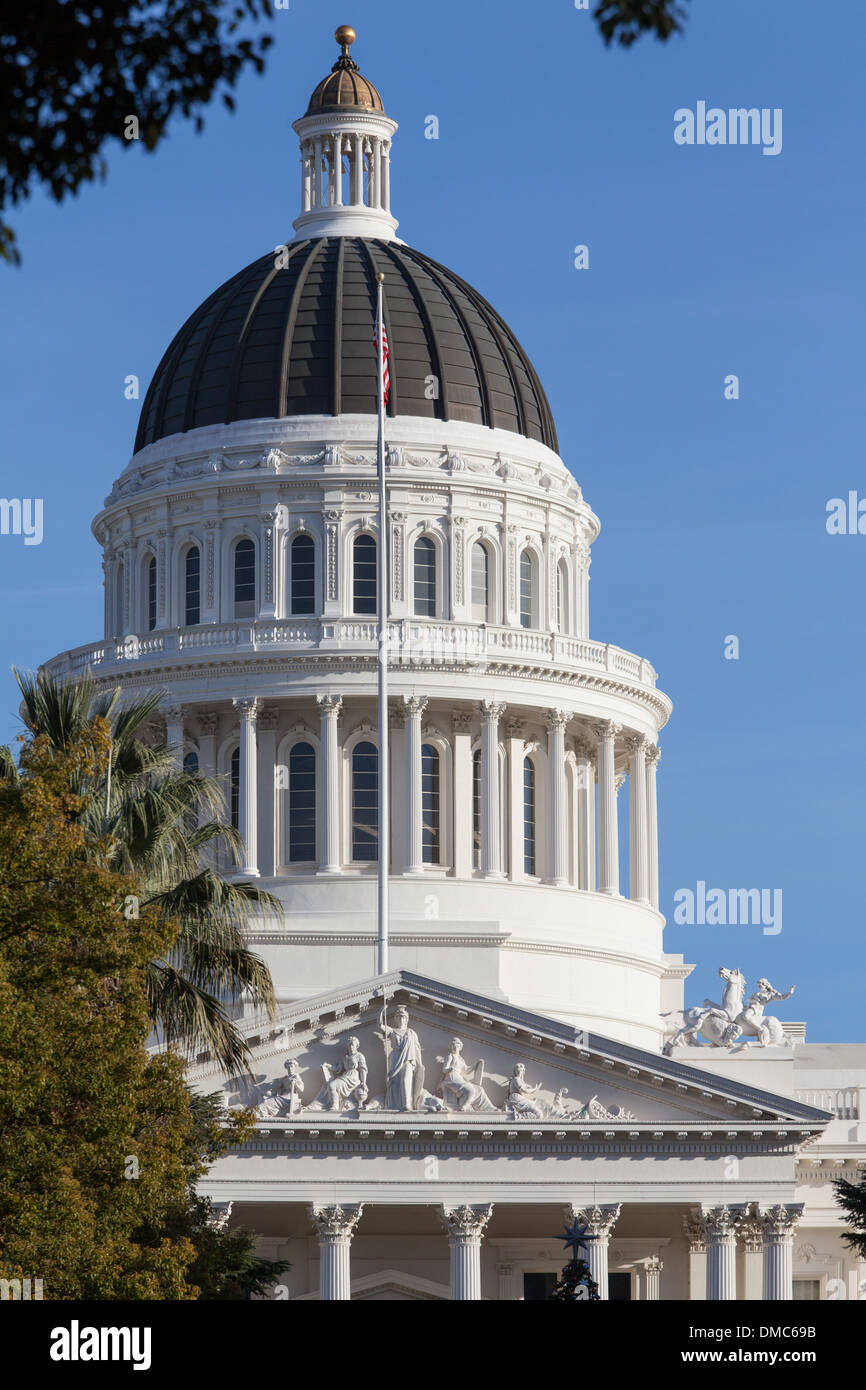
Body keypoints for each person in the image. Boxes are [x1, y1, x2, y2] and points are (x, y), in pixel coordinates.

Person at [377, 1004, 424, 1111]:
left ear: (406, 1019)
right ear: (396, 1019)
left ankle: (407, 1104)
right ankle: (395, 1105)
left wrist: (420, 1064)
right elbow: (380, 1025)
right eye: (399, 1017)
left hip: (408, 1059)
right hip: (395, 1058)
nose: (401, 1019)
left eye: (403, 1017)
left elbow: (417, 1049)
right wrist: (381, 1011)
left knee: (406, 1079)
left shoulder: (412, 1033)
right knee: (394, 1083)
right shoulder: (392, 1031)